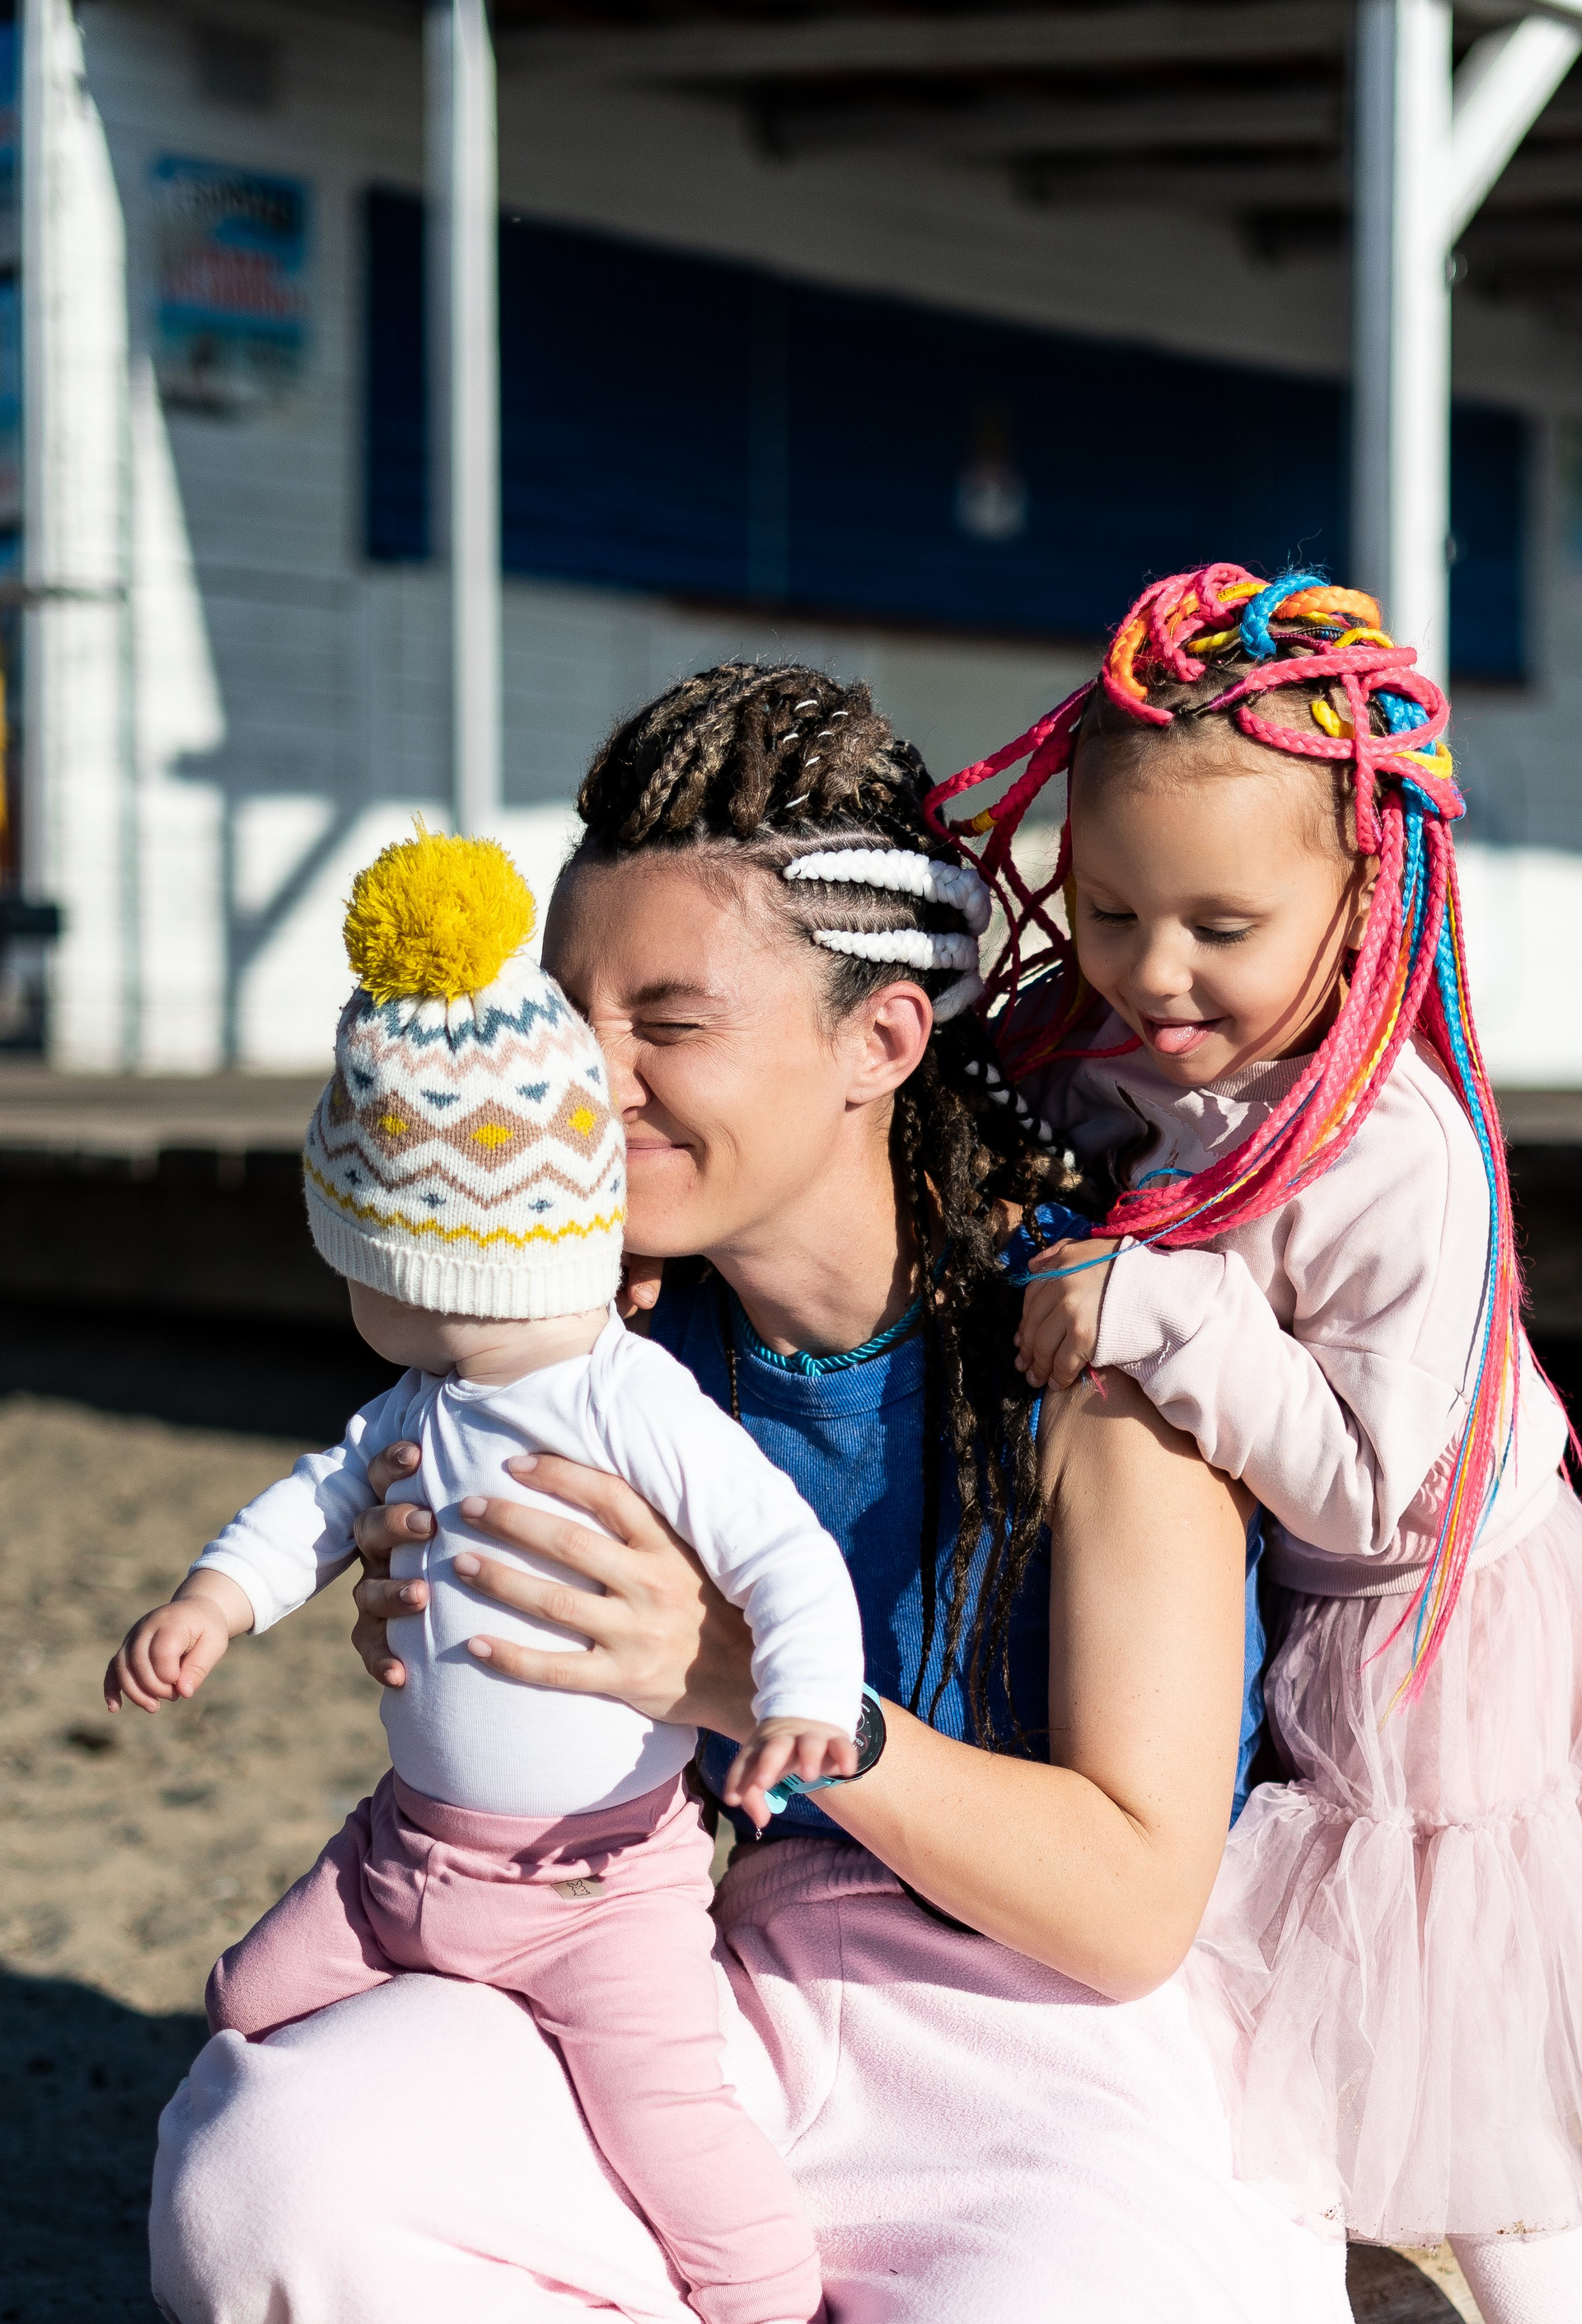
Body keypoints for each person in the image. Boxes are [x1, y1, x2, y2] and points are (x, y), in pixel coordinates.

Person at [148, 662, 1350, 2324]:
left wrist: (735, 1674)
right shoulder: (604, 1353)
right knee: (269, 2180)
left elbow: (1134, 1906)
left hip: (1064, 2072)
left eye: (669, 1023)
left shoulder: (1102, 1353)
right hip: (708, 1996)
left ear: (882, 1036)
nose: (591, 1077)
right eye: (568, 1016)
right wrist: (445, 1613)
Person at [933, 565, 1582, 2324]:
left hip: (1426, 1634)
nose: (1152, 972)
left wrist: (1163, 1307)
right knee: (1305, 2038)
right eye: (1110, 907)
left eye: (1219, 926)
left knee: (1454, 2039)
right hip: (1289, 1587)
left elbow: (1371, 1487)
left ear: (1362, 897)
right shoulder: (1115, 1052)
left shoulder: (1395, 1153)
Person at [110, 824, 868, 2324]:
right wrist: (212, 1600)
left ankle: (770, 2298)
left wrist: (803, 1695)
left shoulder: (628, 1399)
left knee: (667, 2119)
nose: (356, 1299)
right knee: (243, 2003)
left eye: (368, 1270)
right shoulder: (423, 1402)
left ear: (451, 1269)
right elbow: (308, 1506)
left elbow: (781, 1547)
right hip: (405, 1851)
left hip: (597, 1884)